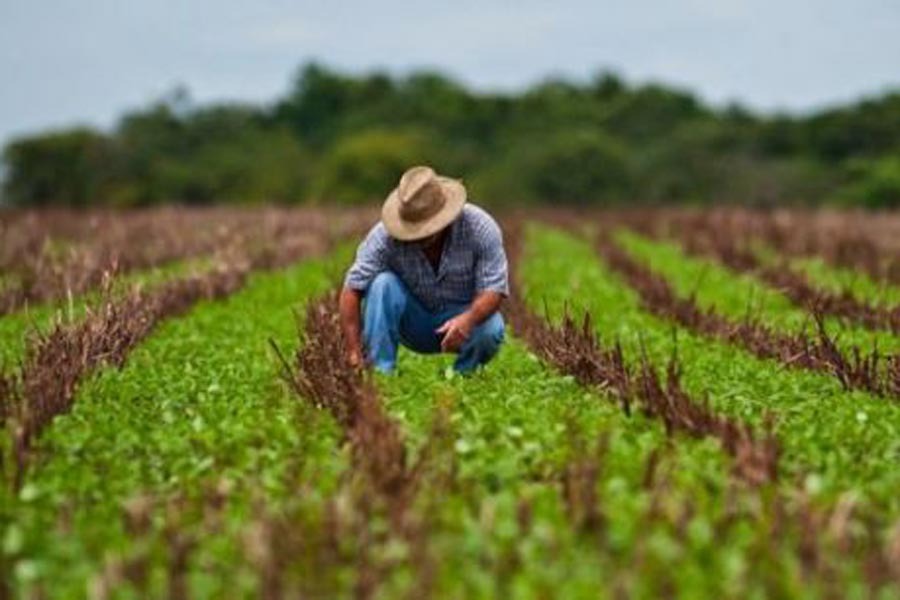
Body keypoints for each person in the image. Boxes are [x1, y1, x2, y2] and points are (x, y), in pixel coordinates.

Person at [339, 165, 508, 374]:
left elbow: (494, 289)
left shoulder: (480, 228)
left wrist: (468, 319)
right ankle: (380, 374)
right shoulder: (383, 236)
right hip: (413, 321)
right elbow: (352, 289)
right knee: (383, 284)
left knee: (491, 328)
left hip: (462, 317)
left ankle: (463, 376)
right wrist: (354, 352)